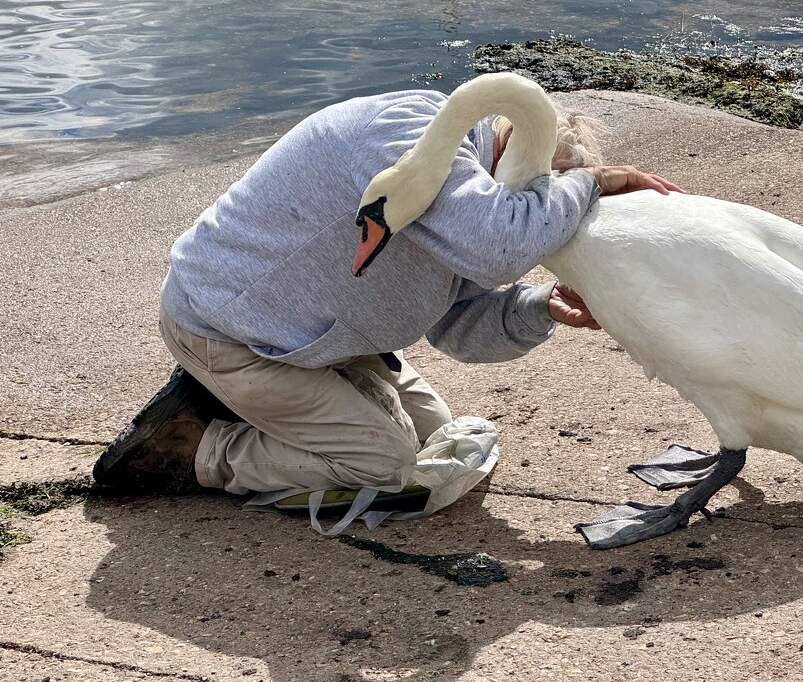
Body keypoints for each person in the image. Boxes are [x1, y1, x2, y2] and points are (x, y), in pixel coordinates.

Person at [93, 85, 682, 501]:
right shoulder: (405, 132)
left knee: (435, 430)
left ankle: (261, 408)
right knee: (383, 464)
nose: (524, 224)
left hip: (320, 338)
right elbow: (495, 247)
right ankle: (196, 447)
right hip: (228, 331)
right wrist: (591, 185)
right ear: (509, 151)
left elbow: (459, 326)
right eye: (530, 209)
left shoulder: (485, 203)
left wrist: (537, 306)